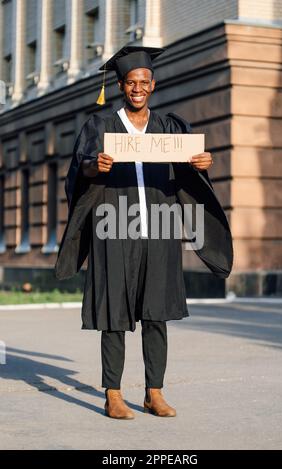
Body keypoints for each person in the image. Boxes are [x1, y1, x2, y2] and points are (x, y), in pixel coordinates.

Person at [55, 46, 233, 420]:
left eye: (144, 82)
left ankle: (155, 392)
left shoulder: (169, 127)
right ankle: (114, 394)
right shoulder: (100, 127)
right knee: (114, 313)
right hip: (113, 228)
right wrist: (93, 166)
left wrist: (201, 164)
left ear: (153, 84)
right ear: (121, 85)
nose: (138, 88)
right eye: (130, 82)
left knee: (157, 311)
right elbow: (78, 171)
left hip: (160, 230)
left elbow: (188, 171)